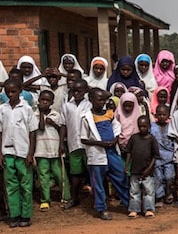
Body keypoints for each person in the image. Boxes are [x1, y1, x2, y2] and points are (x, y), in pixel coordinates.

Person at [81, 88, 129, 220]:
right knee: (98, 183)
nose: (102, 102)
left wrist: (114, 140)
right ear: (91, 100)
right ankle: (101, 208)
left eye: (104, 99)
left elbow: (116, 128)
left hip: (112, 151)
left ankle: (129, 203)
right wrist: (101, 144)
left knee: (120, 177)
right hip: (97, 154)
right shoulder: (86, 117)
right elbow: (83, 139)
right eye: (99, 99)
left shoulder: (109, 114)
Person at [0, 78, 38, 227]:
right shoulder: (3, 109)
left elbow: (32, 132)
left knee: (26, 185)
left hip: (23, 152)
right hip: (7, 150)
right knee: (10, 185)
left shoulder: (26, 108)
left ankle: (26, 215)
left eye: (13, 91)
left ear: (20, 91)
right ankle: (14, 215)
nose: (10, 94)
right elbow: (0, 132)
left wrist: (30, 154)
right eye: (8, 92)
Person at [33, 89, 66, 211]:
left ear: (52, 102)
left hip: (55, 149)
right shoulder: (34, 115)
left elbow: (61, 129)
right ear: (39, 101)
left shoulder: (56, 114)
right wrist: (41, 113)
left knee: (60, 174)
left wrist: (52, 123)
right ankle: (45, 200)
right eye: (43, 100)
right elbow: (40, 128)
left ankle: (65, 196)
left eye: (47, 101)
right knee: (43, 176)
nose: (44, 103)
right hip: (41, 150)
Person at [62, 78, 90, 209]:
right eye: (74, 91)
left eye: (80, 90)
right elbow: (63, 125)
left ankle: (98, 199)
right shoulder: (67, 106)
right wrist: (62, 142)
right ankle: (74, 198)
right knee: (75, 173)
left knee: (93, 173)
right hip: (73, 144)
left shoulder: (90, 104)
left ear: (85, 91)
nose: (77, 93)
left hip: (89, 145)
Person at [124, 115, 159, 218]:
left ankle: (148, 209)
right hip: (135, 170)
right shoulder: (134, 138)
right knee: (134, 191)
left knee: (148, 191)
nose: (142, 128)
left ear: (149, 126)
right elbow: (129, 152)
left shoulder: (152, 139)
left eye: (144, 126)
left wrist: (149, 169)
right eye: (140, 126)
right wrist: (127, 166)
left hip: (147, 171)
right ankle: (134, 209)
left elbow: (155, 156)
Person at [150, 104, 176, 205]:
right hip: (156, 158)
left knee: (169, 177)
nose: (161, 117)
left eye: (164, 114)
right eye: (159, 114)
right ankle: (159, 196)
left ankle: (169, 193)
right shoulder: (152, 127)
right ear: (156, 115)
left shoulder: (171, 127)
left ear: (168, 115)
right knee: (158, 178)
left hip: (169, 157)